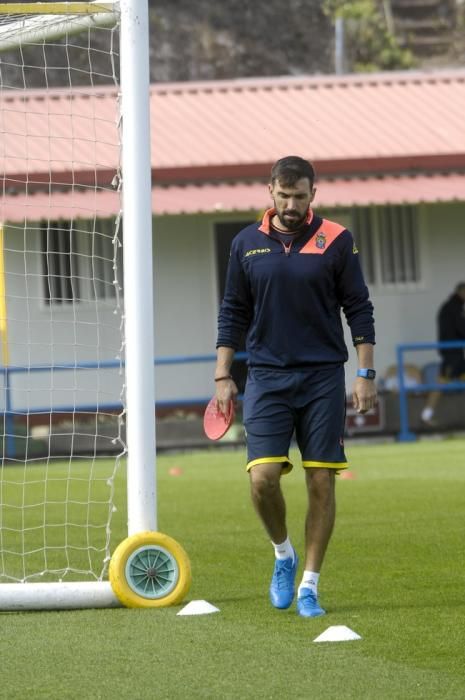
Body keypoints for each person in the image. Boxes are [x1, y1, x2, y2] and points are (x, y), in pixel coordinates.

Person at [214, 156, 376, 617]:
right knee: (263, 479)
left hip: (323, 376)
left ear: (312, 194)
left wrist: (365, 374)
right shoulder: (246, 243)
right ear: (270, 191)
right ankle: (282, 554)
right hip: (265, 376)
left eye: (299, 196)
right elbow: (232, 312)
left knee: (320, 480)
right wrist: (222, 374)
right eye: (283, 195)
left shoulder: (336, 240)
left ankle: (309, 584)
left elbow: (359, 308)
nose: (290, 204)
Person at [421, 282, 465, 427]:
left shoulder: (452, 306)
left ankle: (426, 414)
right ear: (460, 292)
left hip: (454, 353)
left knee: (441, 383)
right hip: (452, 354)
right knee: (440, 383)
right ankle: (426, 415)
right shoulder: (453, 307)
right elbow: (460, 329)